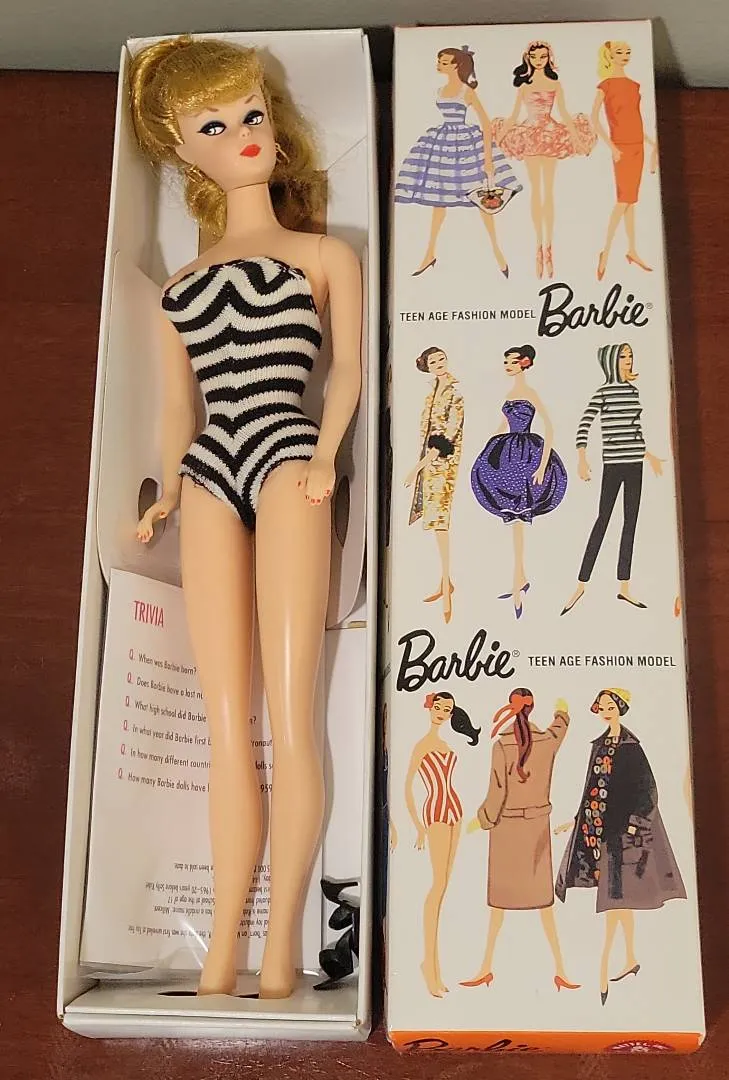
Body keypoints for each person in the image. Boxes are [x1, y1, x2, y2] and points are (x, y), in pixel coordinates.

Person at [129, 35, 362, 998]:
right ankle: (221, 947)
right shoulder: (177, 290)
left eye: (251, 114)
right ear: (183, 152)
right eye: (215, 126)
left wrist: (328, 451)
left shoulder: (324, 254)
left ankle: (278, 951)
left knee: (290, 713)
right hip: (211, 469)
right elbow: (175, 412)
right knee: (230, 722)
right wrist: (165, 492)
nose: (244, 136)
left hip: (287, 455)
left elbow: (343, 370)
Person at [555, 689, 686, 1005]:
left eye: (611, 705)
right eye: (602, 706)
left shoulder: (631, 748)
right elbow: (592, 791)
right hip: (601, 832)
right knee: (619, 897)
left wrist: (633, 824)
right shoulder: (599, 746)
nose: (605, 710)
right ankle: (629, 958)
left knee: (614, 899)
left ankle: (602, 969)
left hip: (625, 836)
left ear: (620, 708)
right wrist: (576, 820)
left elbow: (648, 792)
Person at [462, 689, 579, 992]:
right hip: (537, 826)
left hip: (507, 828)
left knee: (499, 907)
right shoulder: (548, 741)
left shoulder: (502, 745)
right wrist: (562, 711)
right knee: (544, 905)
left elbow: (497, 791)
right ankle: (561, 970)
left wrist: (483, 819)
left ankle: (486, 967)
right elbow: (560, 727)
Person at [395, 45, 521, 278]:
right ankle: (429, 253)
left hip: (465, 145)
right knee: (438, 200)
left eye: (444, 62)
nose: (439, 65)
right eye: (439, 61)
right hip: (443, 143)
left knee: (481, 200)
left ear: (456, 66)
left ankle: (498, 253)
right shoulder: (440, 90)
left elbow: (486, 124)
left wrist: (488, 158)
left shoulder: (467, 91)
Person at [562, 343, 664, 615]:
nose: (628, 360)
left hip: (635, 463)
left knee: (631, 522)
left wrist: (648, 455)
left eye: (630, 356)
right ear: (610, 360)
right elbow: (584, 424)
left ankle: (624, 586)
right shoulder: (603, 392)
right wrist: (582, 458)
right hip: (613, 464)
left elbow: (634, 430)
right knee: (603, 519)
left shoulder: (633, 391)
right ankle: (581, 584)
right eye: (622, 356)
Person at [471, 345, 566, 619]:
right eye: (505, 362)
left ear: (523, 364)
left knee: (518, 520)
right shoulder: (509, 394)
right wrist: (487, 447)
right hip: (508, 454)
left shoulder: (530, 393)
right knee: (514, 522)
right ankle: (519, 578)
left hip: (527, 456)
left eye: (511, 362)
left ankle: (518, 581)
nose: (507, 366)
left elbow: (549, 427)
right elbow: (502, 425)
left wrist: (543, 463)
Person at [492, 40, 596, 279]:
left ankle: (548, 246)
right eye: (535, 57)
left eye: (543, 57)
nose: (539, 61)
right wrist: (498, 138)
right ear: (528, 58)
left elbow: (565, 114)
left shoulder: (555, 84)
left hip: (550, 134)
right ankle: (539, 244)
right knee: (536, 192)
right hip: (530, 135)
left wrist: (577, 138)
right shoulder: (523, 86)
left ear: (549, 58)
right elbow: (514, 116)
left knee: (547, 191)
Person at [404, 691, 480, 997]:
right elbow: (407, 786)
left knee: (444, 885)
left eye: (447, 709)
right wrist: (417, 826)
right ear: (430, 708)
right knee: (437, 886)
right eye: (438, 706)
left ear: (450, 714)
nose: (441, 712)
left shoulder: (447, 744)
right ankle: (429, 964)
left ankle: (433, 965)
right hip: (435, 812)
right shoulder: (421, 745)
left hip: (455, 811)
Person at [405, 347, 465, 624]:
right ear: (426, 366)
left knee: (441, 522)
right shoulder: (432, 393)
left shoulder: (455, 392)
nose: (439, 363)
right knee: (436, 523)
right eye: (433, 361)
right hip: (430, 463)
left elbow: (448, 435)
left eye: (441, 358)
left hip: (443, 463)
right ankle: (445, 581)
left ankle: (447, 585)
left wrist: (418, 466)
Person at [592, 40, 658, 280]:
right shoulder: (606, 86)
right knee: (623, 200)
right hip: (621, 147)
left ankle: (631, 249)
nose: (625, 55)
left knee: (631, 201)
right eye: (619, 52)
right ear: (610, 55)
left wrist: (650, 142)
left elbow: (635, 118)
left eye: (628, 52)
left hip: (637, 145)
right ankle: (606, 251)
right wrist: (612, 148)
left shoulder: (634, 85)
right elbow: (594, 119)